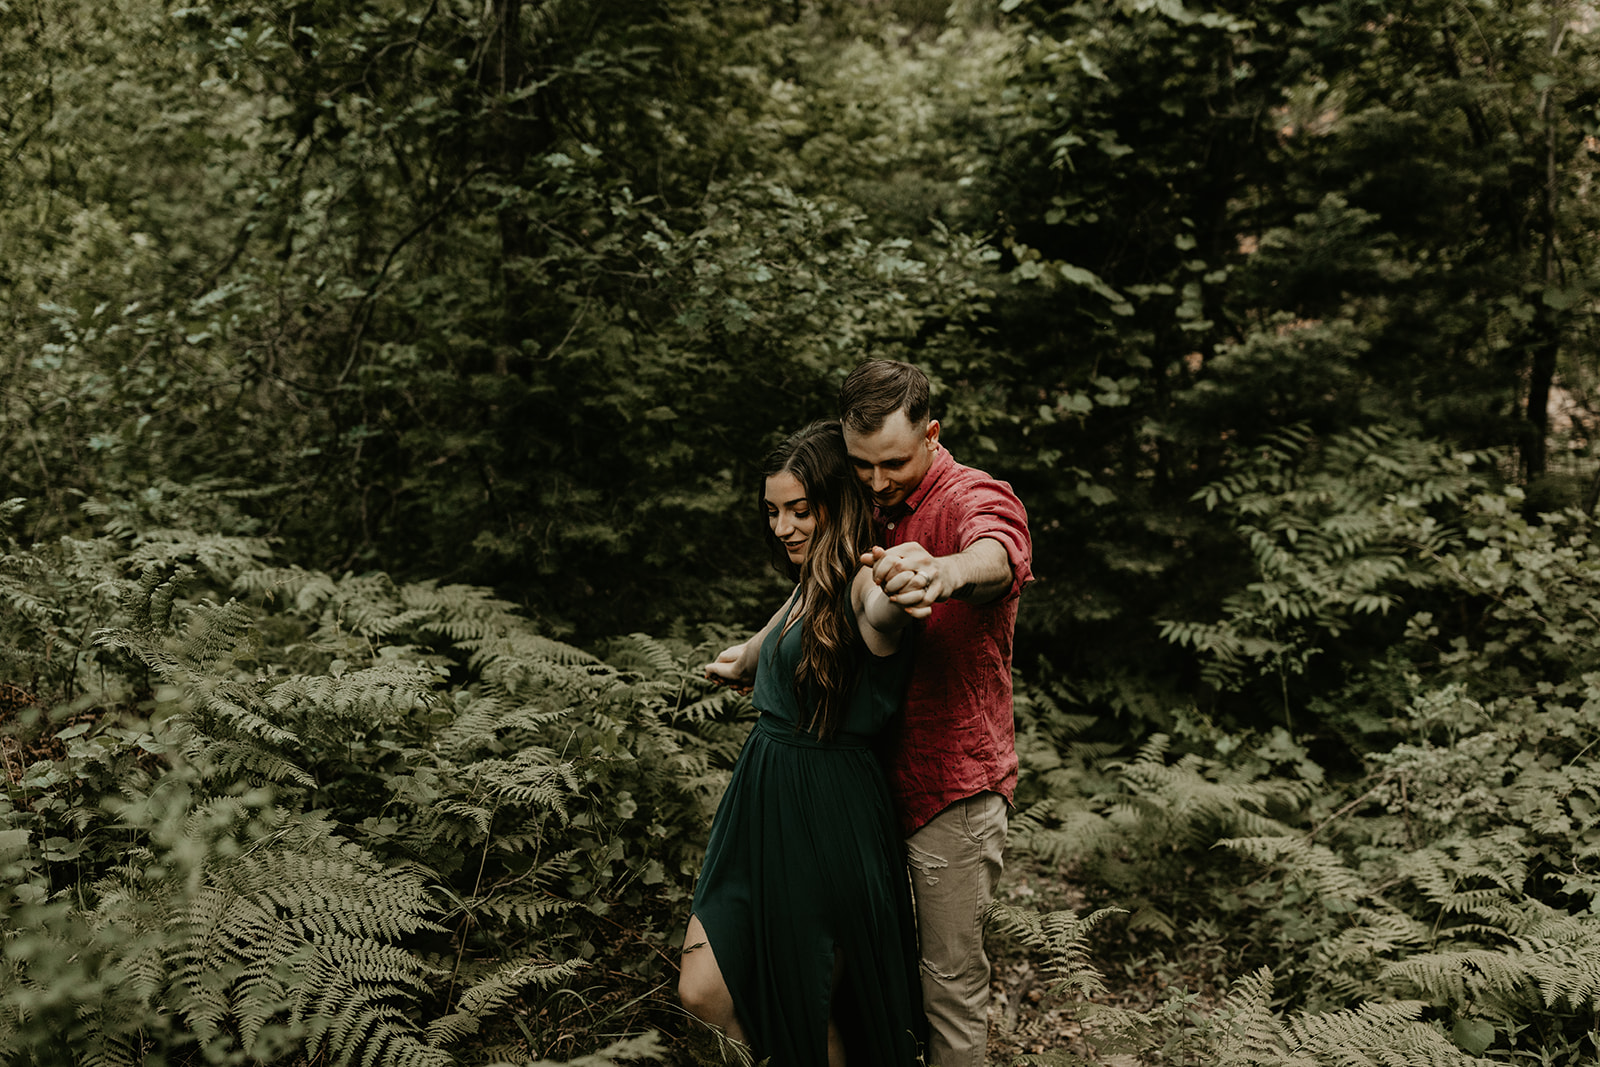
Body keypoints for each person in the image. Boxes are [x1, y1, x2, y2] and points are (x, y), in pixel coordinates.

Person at [680, 419, 930, 1067]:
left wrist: (905, 584)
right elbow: (779, 634)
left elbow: (881, 608)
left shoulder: (861, 584)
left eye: (800, 510)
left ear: (837, 504)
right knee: (702, 991)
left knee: (809, 1004)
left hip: (826, 813)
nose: (783, 526)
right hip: (758, 809)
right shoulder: (805, 589)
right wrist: (744, 660)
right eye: (772, 511)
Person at [839, 360, 1032, 1067]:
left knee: (948, 985)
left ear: (932, 433)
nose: (878, 478)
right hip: (865, 778)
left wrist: (944, 570)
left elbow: (997, 554)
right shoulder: (864, 496)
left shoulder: (973, 494)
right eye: (863, 464)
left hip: (951, 783)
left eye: (893, 461)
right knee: (871, 971)